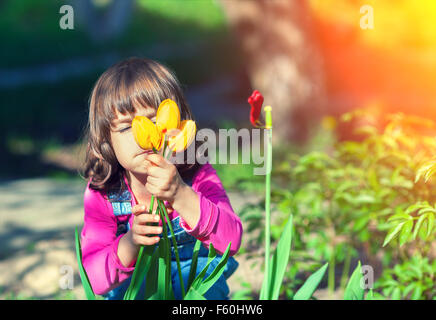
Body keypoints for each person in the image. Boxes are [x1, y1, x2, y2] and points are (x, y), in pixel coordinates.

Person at [79, 57, 242, 300]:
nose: (142, 134)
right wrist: (130, 243)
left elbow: (232, 241)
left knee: (203, 278)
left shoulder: (196, 175)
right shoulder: (104, 193)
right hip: (138, 283)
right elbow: (94, 278)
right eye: (126, 127)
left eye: (155, 121)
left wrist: (181, 195)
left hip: (191, 280)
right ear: (105, 142)